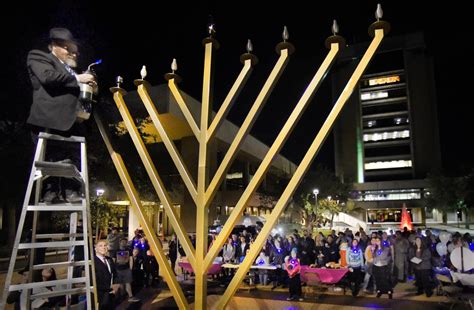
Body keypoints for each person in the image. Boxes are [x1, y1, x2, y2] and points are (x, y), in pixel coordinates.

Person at [26, 27, 96, 202]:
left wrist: (91, 86)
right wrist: (78, 79)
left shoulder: (74, 70)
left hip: (74, 124)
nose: (72, 53)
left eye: (74, 50)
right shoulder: (39, 57)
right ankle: (49, 191)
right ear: (52, 46)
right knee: (52, 162)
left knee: (70, 162)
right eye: (67, 48)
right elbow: (48, 77)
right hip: (49, 120)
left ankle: (70, 190)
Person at [94, 240, 118, 310]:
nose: (103, 247)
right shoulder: (93, 262)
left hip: (111, 295)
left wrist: (115, 285)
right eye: (100, 246)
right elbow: (94, 281)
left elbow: (114, 274)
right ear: (96, 248)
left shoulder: (109, 259)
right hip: (100, 296)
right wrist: (109, 289)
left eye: (105, 245)